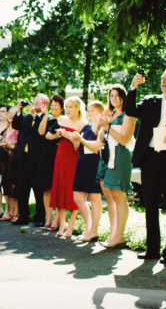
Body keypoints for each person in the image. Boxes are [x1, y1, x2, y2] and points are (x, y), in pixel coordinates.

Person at [127, 69, 166, 263]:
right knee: (150, 204)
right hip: (150, 158)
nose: (163, 81)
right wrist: (133, 87)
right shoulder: (151, 100)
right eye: (162, 78)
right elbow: (130, 110)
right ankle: (152, 249)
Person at [97, 86, 135, 248]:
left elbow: (124, 139)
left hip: (121, 156)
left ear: (124, 97)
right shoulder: (111, 115)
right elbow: (101, 136)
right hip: (108, 157)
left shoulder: (128, 115)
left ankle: (119, 235)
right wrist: (102, 124)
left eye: (118, 95)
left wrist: (107, 127)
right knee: (111, 194)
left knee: (119, 195)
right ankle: (114, 233)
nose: (114, 98)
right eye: (111, 95)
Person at [66, 100, 105, 242]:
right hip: (82, 163)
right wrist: (74, 138)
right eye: (88, 111)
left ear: (101, 111)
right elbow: (77, 147)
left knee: (94, 198)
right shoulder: (86, 128)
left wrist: (81, 141)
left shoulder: (102, 128)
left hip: (94, 164)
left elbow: (96, 147)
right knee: (78, 197)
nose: (90, 113)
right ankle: (89, 227)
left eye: (93, 110)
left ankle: (93, 230)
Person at [12, 94, 49, 225]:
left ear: (45, 104)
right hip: (23, 157)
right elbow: (16, 125)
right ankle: (23, 216)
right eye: (35, 101)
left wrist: (35, 116)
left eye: (39, 102)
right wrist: (19, 110)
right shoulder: (26, 118)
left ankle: (40, 217)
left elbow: (41, 132)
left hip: (37, 159)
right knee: (22, 188)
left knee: (38, 189)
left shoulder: (46, 118)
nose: (36, 103)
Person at [52, 96, 85, 238]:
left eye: (70, 106)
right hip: (61, 155)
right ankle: (61, 224)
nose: (68, 109)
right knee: (60, 188)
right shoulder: (61, 120)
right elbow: (48, 134)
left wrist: (68, 135)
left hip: (74, 157)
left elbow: (80, 143)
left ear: (78, 107)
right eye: (66, 107)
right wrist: (57, 134)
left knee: (72, 190)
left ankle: (70, 225)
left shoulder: (83, 124)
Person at [38, 95, 63, 231]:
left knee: (56, 189)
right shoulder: (48, 118)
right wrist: (46, 115)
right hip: (45, 156)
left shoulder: (62, 120)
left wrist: (52, 136)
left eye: (56, 105)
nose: (53, 107)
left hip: (56, 156)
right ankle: (48, 219)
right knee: (46, 189)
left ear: (61, 107)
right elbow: (42, 132)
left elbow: (50, 135)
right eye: (51, 105)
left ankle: (57, 221)